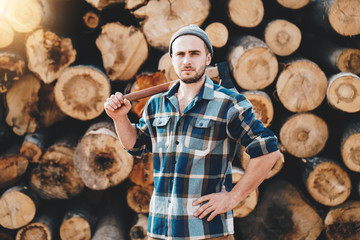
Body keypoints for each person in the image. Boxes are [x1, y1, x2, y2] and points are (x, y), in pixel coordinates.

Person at [104, 24, 281, 240]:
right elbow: (137, 146)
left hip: (207, 232)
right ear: (172, 59)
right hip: (160, 231)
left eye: (194, 53)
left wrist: (233, 197)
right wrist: (120, 118)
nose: (186, 60)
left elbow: (268, 150)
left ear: (207, 58)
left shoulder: (229, 103)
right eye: (180, 54)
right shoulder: (156, 104)